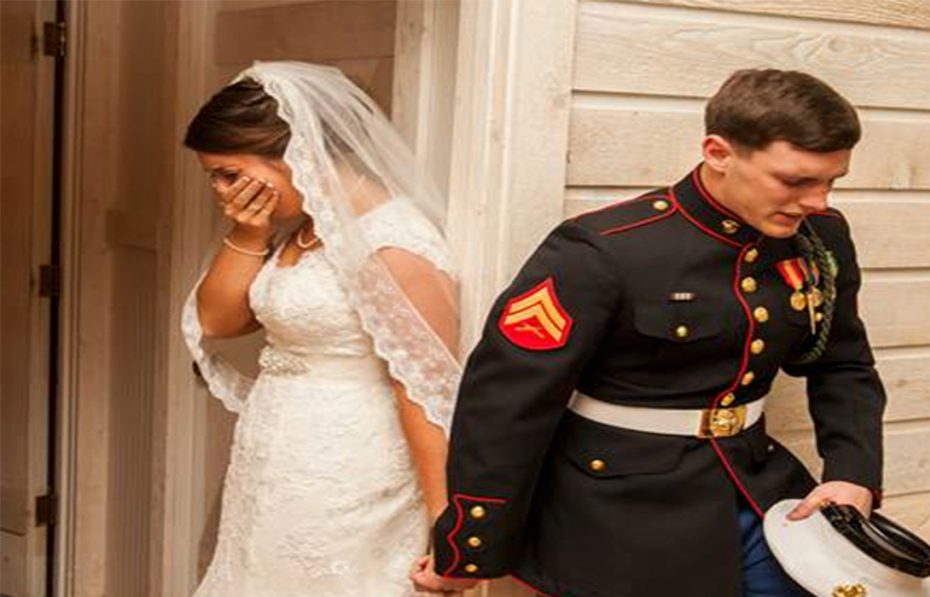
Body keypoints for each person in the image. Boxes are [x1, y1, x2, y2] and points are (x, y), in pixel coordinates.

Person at [415, 69, 887, 596]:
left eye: (831, 182)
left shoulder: (820, 238)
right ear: (718, 153)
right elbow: (507, 404)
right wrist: (469, 549)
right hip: (620, 514)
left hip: (759, 491)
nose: (818, 202)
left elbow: (842, 363)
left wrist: (853, 472)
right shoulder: (603, 249)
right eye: (796, 181)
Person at [181, 61, 465, 596]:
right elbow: (218, 321)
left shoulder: (393, 244)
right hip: (276, 462)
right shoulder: (306, 228)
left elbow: (423, 388)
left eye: (228, 173)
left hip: (351, 472)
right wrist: (248, 233)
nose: (220, 190)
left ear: (295, 154)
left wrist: (445, 523)